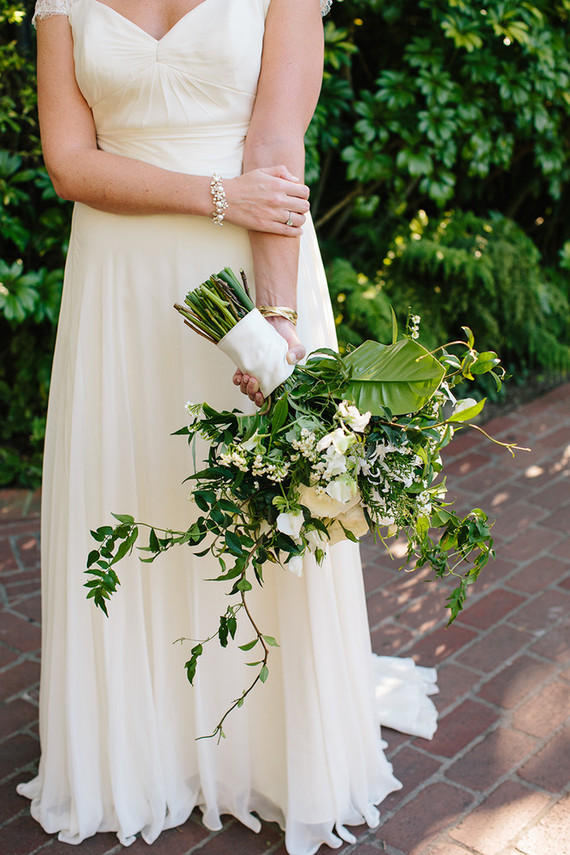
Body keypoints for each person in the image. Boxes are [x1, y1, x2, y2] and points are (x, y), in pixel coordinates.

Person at [18, 2, 438, 854]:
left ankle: (269, 751)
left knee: (256, 502)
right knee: (128, 487)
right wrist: (214, 193)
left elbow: (277, 148)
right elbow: (69, 163)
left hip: (253, 267)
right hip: (118, 282)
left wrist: (279, 327)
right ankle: (142, 750)